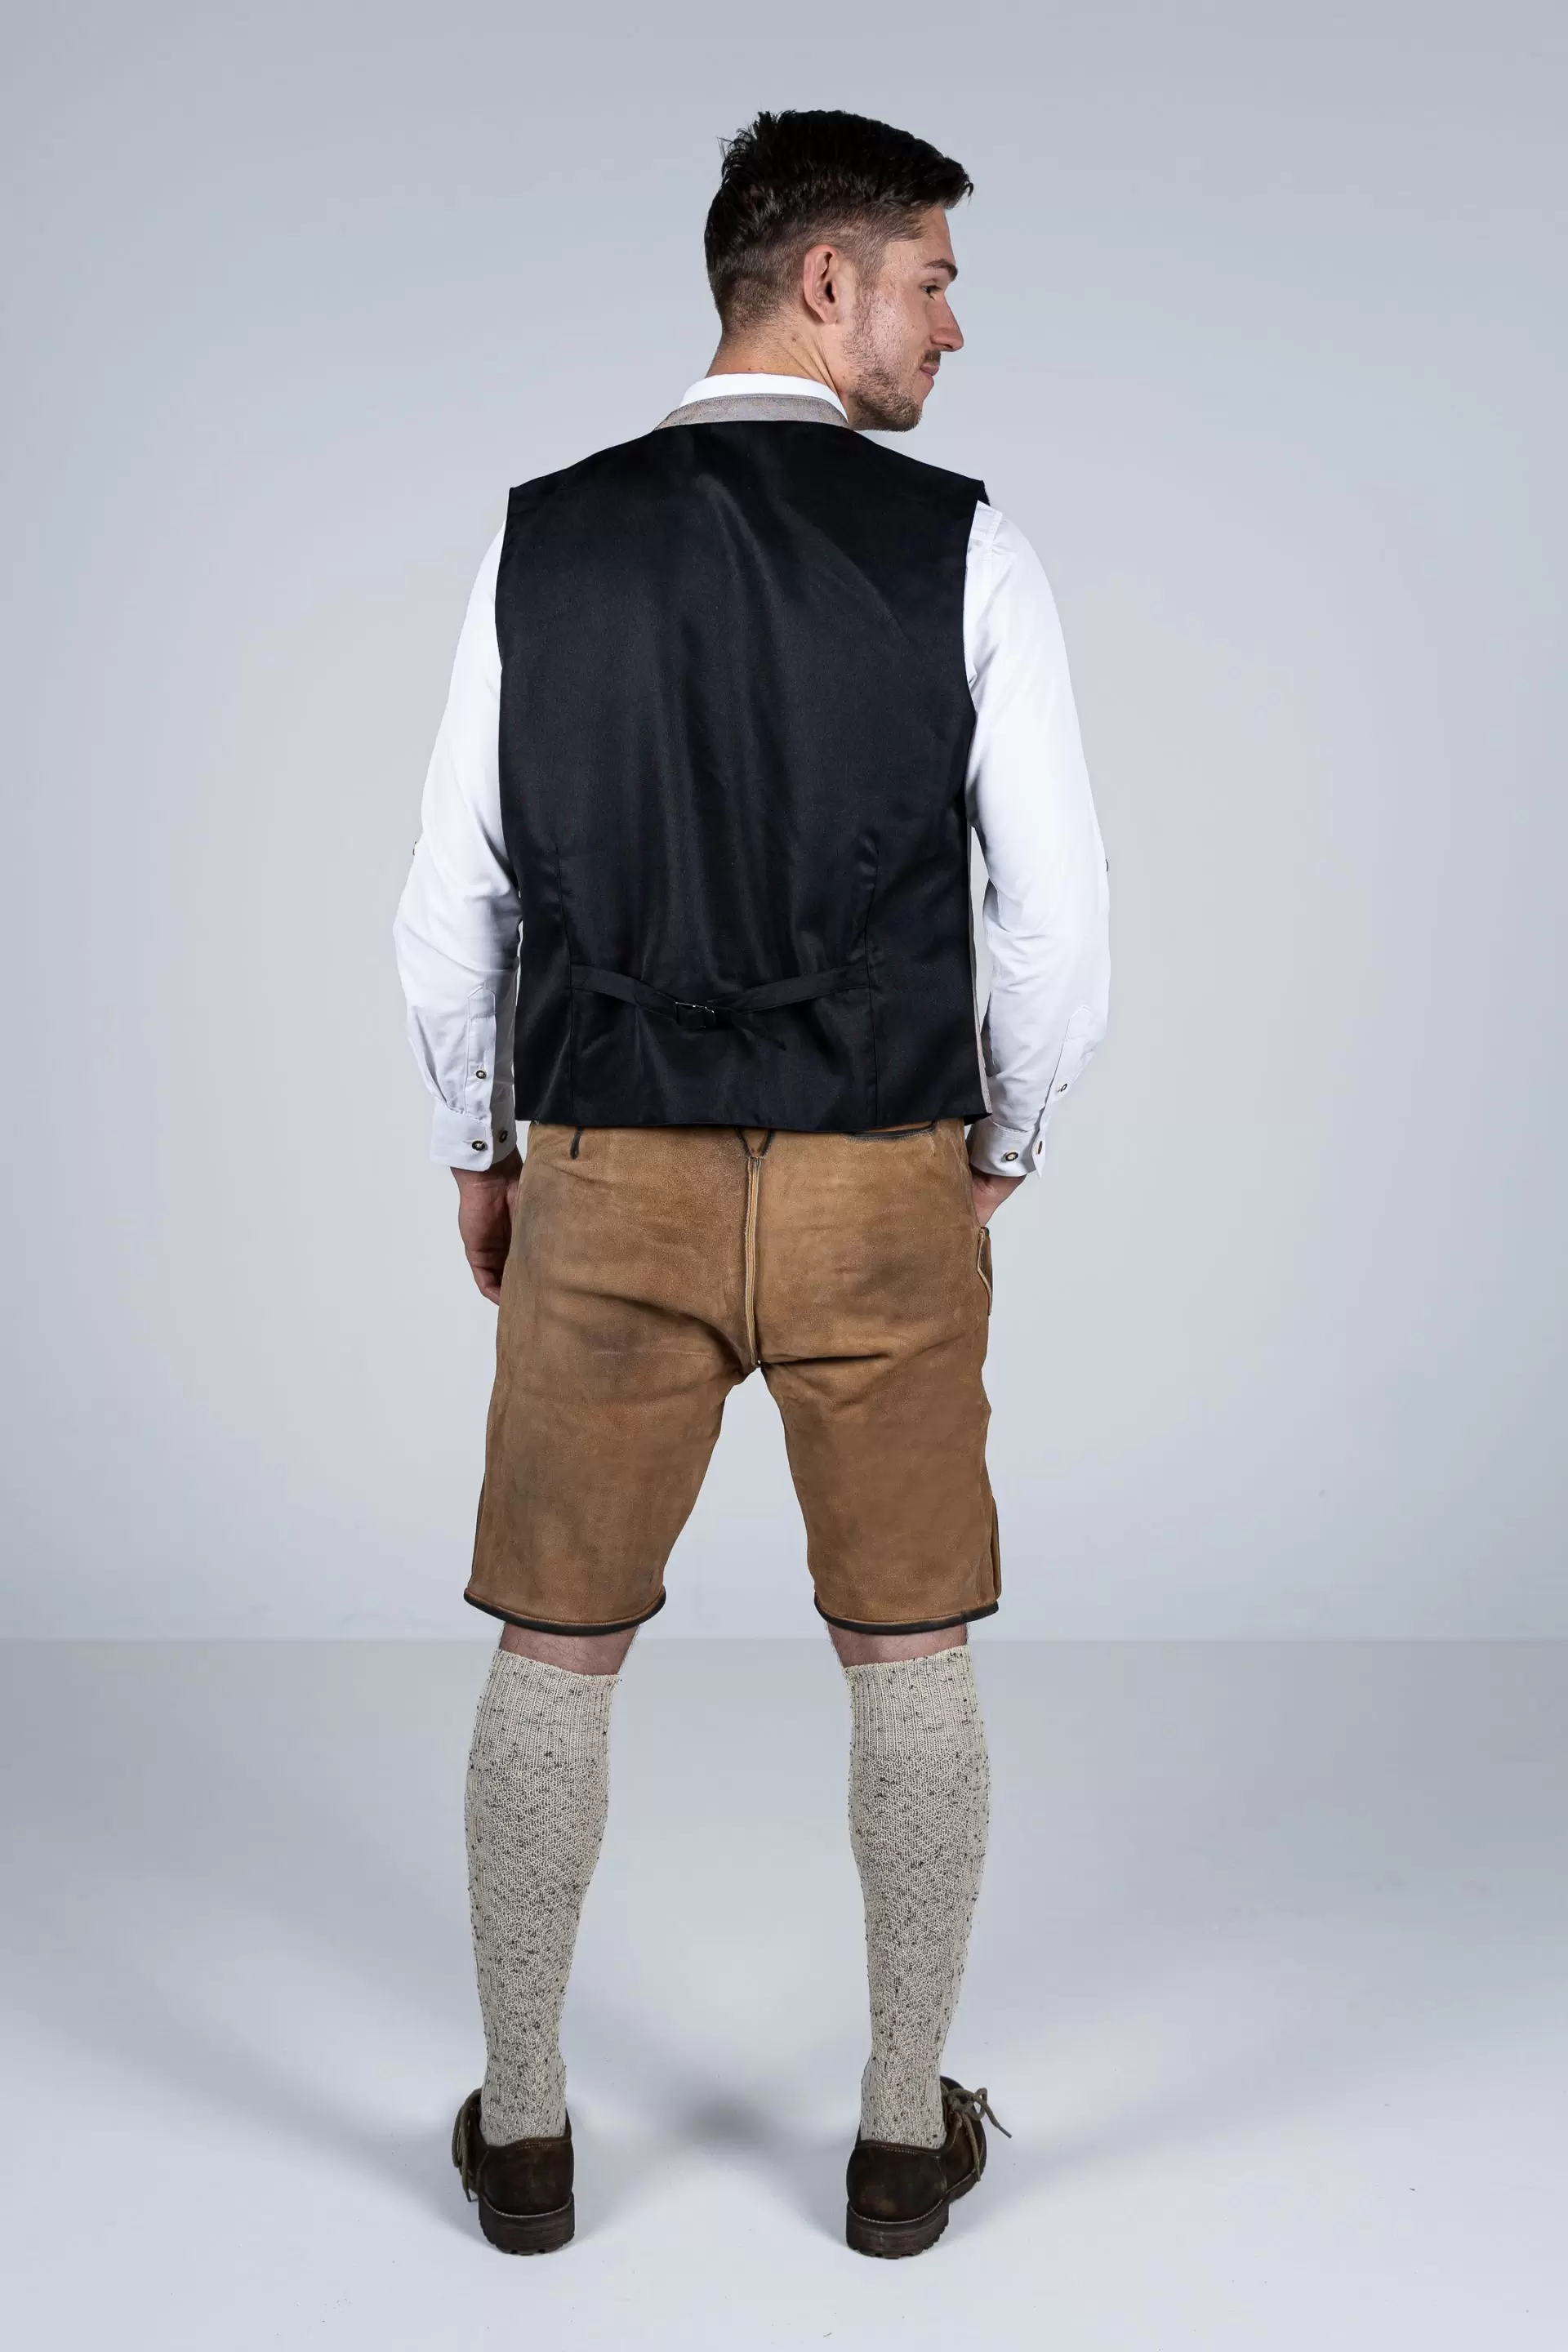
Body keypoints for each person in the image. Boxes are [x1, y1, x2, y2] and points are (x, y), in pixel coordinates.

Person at [394, 106, 1111, 2260]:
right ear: (825, 280)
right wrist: (1000, 1143)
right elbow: (1058, 925)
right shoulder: (966, 549)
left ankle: (528, 2140)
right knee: (912, 1655)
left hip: (603, 1168)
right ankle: (899, 2146)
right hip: (883, 1169)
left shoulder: (544, 542)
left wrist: (480, 1145)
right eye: (933, 281)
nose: (953, 328)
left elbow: (450, 906)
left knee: (553, 1651)